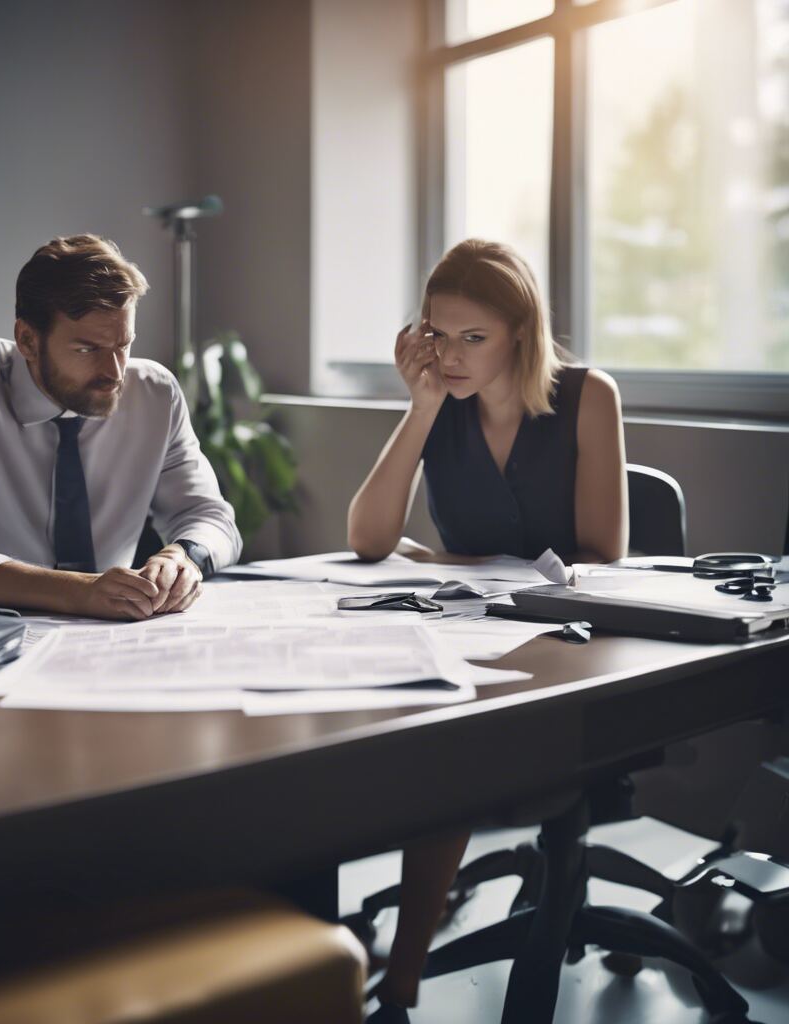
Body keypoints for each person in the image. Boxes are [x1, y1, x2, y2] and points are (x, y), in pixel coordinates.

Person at [347, 238, 627, 1009]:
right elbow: (369, 538)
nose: (454, 355)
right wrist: (422, 405)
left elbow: (602, 556)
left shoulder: (585, 396)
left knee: (452, 744)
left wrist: (448, 563)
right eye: (439, 334)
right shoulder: (445, 404)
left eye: (476, 337)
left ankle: (401, 977)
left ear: (519, 334)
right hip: (470, 635)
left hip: (569, 645)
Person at [0, 234, 241, 619]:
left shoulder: (154, 394)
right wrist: (78, 592)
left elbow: (211, 517)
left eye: (123, 345)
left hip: (115, 635)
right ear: (27, 340)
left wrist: (182, 557)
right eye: (87, 350)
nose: (115, 373)